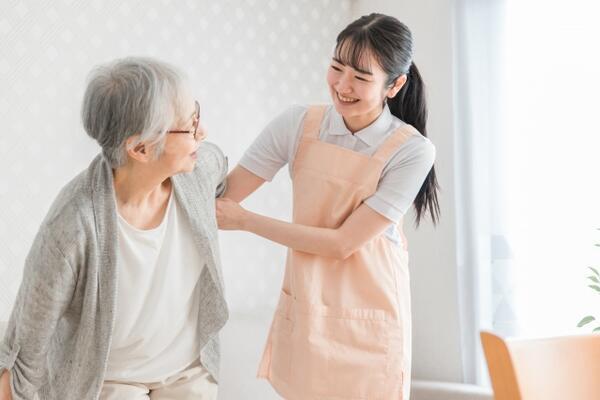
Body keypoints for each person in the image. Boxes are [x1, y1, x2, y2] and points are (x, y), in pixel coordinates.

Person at [216, 13, 440, 399]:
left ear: (395, 84)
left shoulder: (412, 151)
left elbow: (341, 244)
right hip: (308, 307)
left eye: (361, 76)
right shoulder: (297, 124)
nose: (342, 85)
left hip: (370, 314)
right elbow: (225, 197)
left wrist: (247, 222)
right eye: (336, 67)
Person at [0, 57, 228, 400]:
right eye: (190, 126)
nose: (203, 132)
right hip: (106, 376)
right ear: (140, 148)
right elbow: (26, 346)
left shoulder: (199, 171)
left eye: (197, 116)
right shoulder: (72, 224)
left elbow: (220, 165)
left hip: (187, 369)